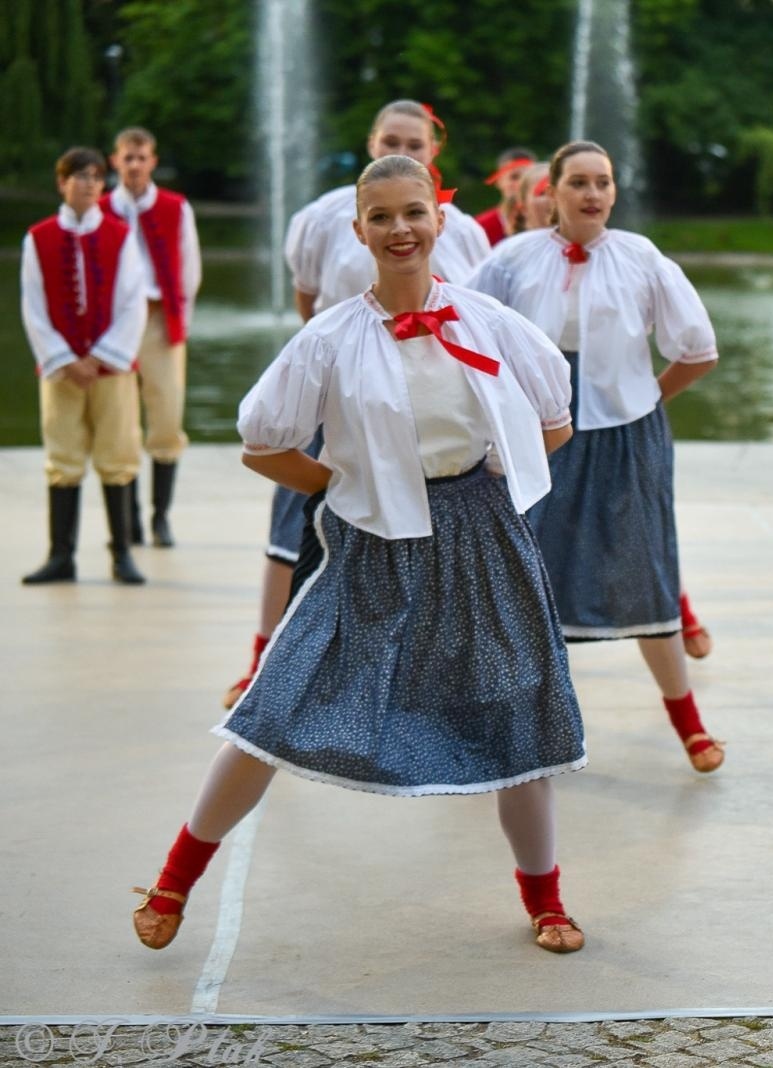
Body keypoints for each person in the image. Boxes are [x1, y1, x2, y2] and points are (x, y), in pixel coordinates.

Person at [131, 154, 589, 956]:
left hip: (482, 539)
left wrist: (500, 471)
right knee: (273, 706)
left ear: (440, 221)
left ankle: (545, 900)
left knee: (518, 720)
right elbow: (261, 439)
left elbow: (555, 414)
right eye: (381, 218)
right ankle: (174, 880)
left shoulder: (487, 320)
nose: (400, 229)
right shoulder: (332, 336)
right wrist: (342, 481)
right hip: (373, 545)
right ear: (360, 231)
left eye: (414, 212)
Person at [223, 99, 491, 710]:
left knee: (427, 539)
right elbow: (307, 299)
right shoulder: (323, 218)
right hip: (340, 399)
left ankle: (422, 675)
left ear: (434, 152)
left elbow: (477, 322)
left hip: (426, 411)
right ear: (371, 141)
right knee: (292, 534)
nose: (402, 148)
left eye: (416, 143)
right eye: (390, 138)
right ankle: (263, 661)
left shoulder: (463, 229)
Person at [467, 140, 725, 773]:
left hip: (626, 438)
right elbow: (461, 329)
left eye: (602, 182)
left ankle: (688, 723)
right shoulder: (512, 259)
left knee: (645, 569)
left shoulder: (641, 257)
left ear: (614, 191)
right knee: (525, 577)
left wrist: (645, 398)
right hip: (540, 437)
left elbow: (699, 348)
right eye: (577, 182)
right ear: (550, 192)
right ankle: (515, 726)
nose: (591, 194)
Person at [21, 147, 150, 586]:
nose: (90, 183)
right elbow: (33, 306)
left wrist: (101, 356)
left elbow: (133, 303)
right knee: (63, 459)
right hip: (61, 371)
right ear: (62, 183)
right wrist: (63, 358)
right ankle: (61, 557)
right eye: (79, 176)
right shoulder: (38, 237)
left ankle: (122, 555)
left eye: (96, 176)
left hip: (110, 370)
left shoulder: (120, 234)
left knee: (118, 457)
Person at [101, 126, 202, 548]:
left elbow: (189, 270)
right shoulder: (102, 209)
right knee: (119, 422)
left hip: (160, 322)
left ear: (153, 162)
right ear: (115, 161)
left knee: (165, 417)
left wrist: (181, 323)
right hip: (114, 325)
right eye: (128, 157)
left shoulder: (175, 208)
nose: (135, 165)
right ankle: (129, 522)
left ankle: (160, 516)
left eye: (143, 157)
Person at [477, 147, 537, 247]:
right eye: (514, 177)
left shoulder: (546, 225)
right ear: (499, 182)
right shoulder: (481, 227)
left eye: (527, 177)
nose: (521, 184)